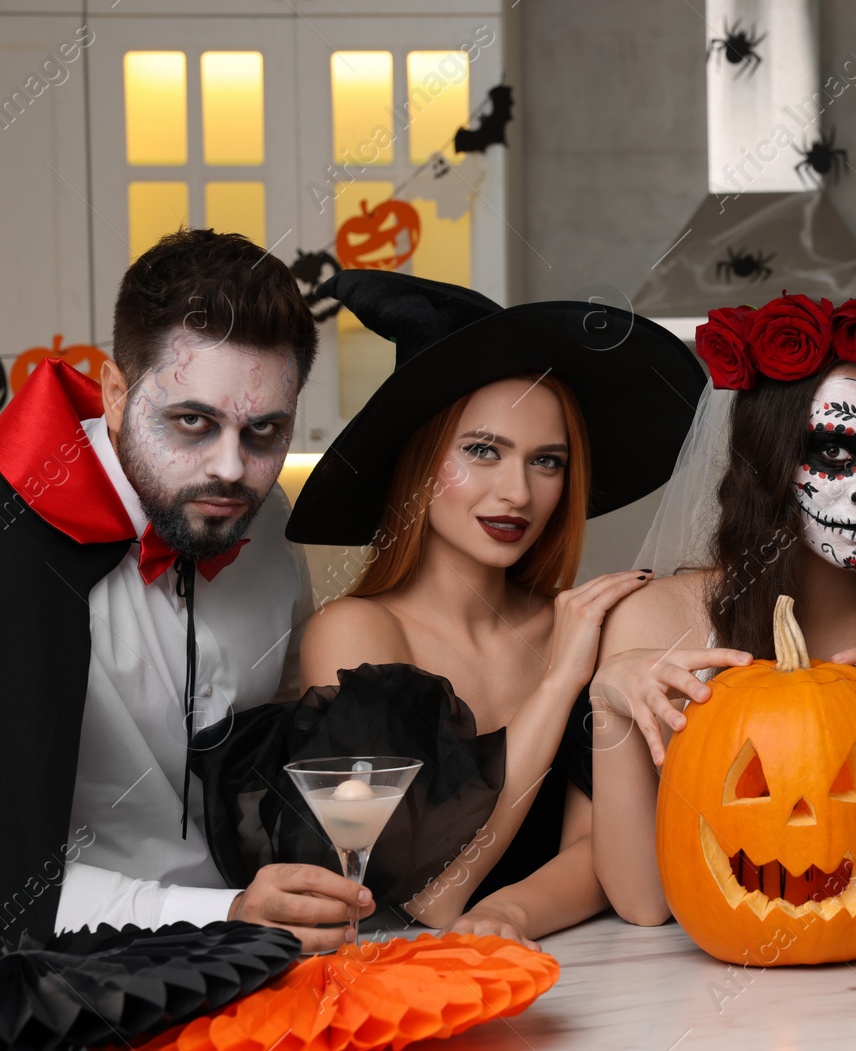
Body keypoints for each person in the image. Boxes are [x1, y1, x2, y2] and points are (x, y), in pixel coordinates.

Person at [206, 269, 707, 946]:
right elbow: (432, 894)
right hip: (399, 993)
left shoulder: (583, 621)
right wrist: (560, 682)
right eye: (482, 452)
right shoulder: (357, 631)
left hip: (580, 977)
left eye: (547, 461)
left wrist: (514, 913)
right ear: (418, 462)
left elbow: (602, 850)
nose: (518, 492)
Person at [0, 228, 376, 951]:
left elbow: (281, 744)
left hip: (257, 941)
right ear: (116, 392)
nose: (232, 471)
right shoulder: (14, 549)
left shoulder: (268, 530)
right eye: (192, 421)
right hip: (73, 969)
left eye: (265, 430)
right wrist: (225, 914)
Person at [589, 294, 856, 927]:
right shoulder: (656, 620)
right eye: (835, 454)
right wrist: (606, 704)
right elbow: (646, 904)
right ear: (767, 458)